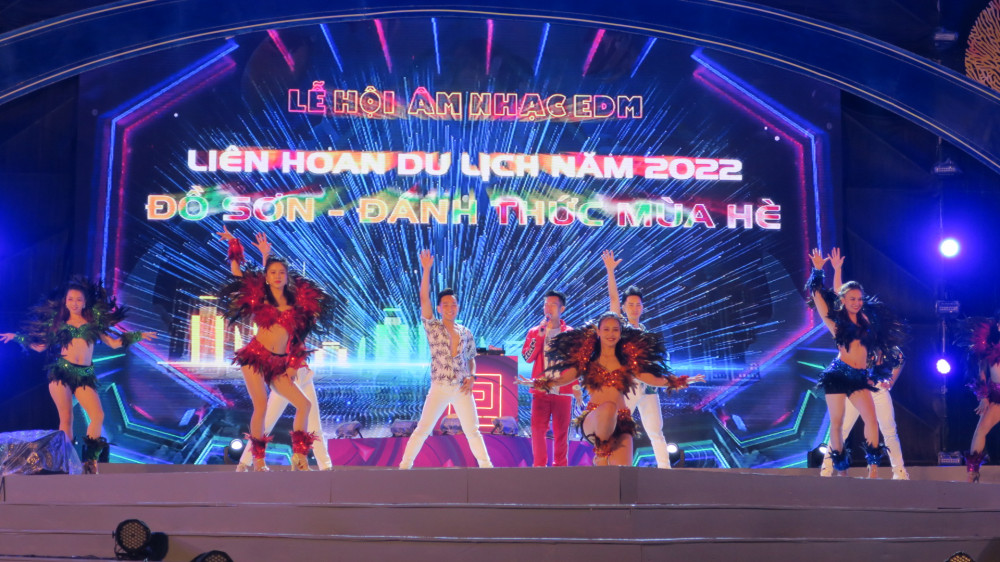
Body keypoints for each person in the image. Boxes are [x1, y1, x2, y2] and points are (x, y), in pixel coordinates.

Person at [1, 277, 155, 474]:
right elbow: (40, 347)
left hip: (85, 375)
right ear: (65, 302)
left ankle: (90, 462)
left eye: (78, 299)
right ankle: (67, 462)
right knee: (66, 418)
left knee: (98, 415)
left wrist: (138, 336)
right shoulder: (58, 324)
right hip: (61, 373)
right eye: (70, 299)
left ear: (84, 302)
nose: (74, 303)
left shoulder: (93, 324)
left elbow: (114, 343)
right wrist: (17, 337)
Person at [218, 227, 330, 471]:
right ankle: (258, 460)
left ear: (288, 277)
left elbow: (298, 339)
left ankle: (299, 456)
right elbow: (238, 274)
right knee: (261, 406)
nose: (277, 276)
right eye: (273, 273)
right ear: (267, 277)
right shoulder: (261, 297)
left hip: (279, 363)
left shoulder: (297, 305)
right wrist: (234, 243)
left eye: (282, 272)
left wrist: (292, 364)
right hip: (256, 358)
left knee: (304, 405)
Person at [527, 311, 704, 466]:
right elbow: (565, 378)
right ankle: (601, 454)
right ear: (598, 332)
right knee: (609, 407)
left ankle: (606, 470)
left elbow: (653, 379)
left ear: (620, 333)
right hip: (595, 420)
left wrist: (681, 381)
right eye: (606, 329)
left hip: (622, 421)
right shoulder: (588, 358)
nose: (610, 334)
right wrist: (538, 383)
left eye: (615, 330)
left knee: (622, 474)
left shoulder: (627, 360)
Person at [807, 247, 903, 478]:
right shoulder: (837, 323)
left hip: (860, 377)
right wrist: (819, 270)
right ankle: (840, 470)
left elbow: (843, 293)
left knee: (872, 421)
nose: (857, 302)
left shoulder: (866, 319)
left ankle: (873, 471)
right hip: (839, 374)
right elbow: (822, 296)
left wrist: (838, 270)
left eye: (860, 299)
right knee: (837, 424)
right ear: (843, 300)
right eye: (852, 299)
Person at [398, 250, 493, 469]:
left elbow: (471, 358)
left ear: (458, 307)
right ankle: (404, 467)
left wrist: (472, 376)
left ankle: (487, 469)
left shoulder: (466, 332)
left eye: (453, 304)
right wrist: (426, 270)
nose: (450, 308)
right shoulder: (433, 327)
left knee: (473, 431)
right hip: (439, 387)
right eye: (446, 305)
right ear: (440, 308)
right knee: (423, 429)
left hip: (461, 388)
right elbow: (424, 298)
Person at [603, 249, 673, 469]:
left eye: (638, 305)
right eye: (630, 305)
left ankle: (666, 471)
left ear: (643, 308)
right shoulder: (620, 327)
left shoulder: (646, 332)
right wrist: (610, 271)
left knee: (656, 431)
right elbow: (613, 298)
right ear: (624, 308)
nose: (634, 309)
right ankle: (613, 467)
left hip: (648, 388)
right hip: (628, 386)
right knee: (620, 427)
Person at [521, 290, 581, 466]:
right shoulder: (534, 331)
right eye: (546, 304)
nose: (548, 308)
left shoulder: (570, 334)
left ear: (562, 308)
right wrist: (539, 337)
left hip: (563, 391)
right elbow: (528, 357)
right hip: (541, 389)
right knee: (537, 430)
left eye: (553, 304)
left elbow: (575, 365)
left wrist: (576, 388)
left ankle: (560, 468)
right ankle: (539, 467)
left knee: (561, 432)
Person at [235, 366, 332, 470]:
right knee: (267, 421)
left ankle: (325, 466)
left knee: (314, 424)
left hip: (303, 373)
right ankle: (245, 463)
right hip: (286, 374)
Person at [962, 316, 1000, 483]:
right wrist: (983, 397)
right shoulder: (988, 348)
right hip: (996, 397)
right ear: (998, 326)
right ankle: (972, 473)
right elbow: (981, 373)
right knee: (981, 430)